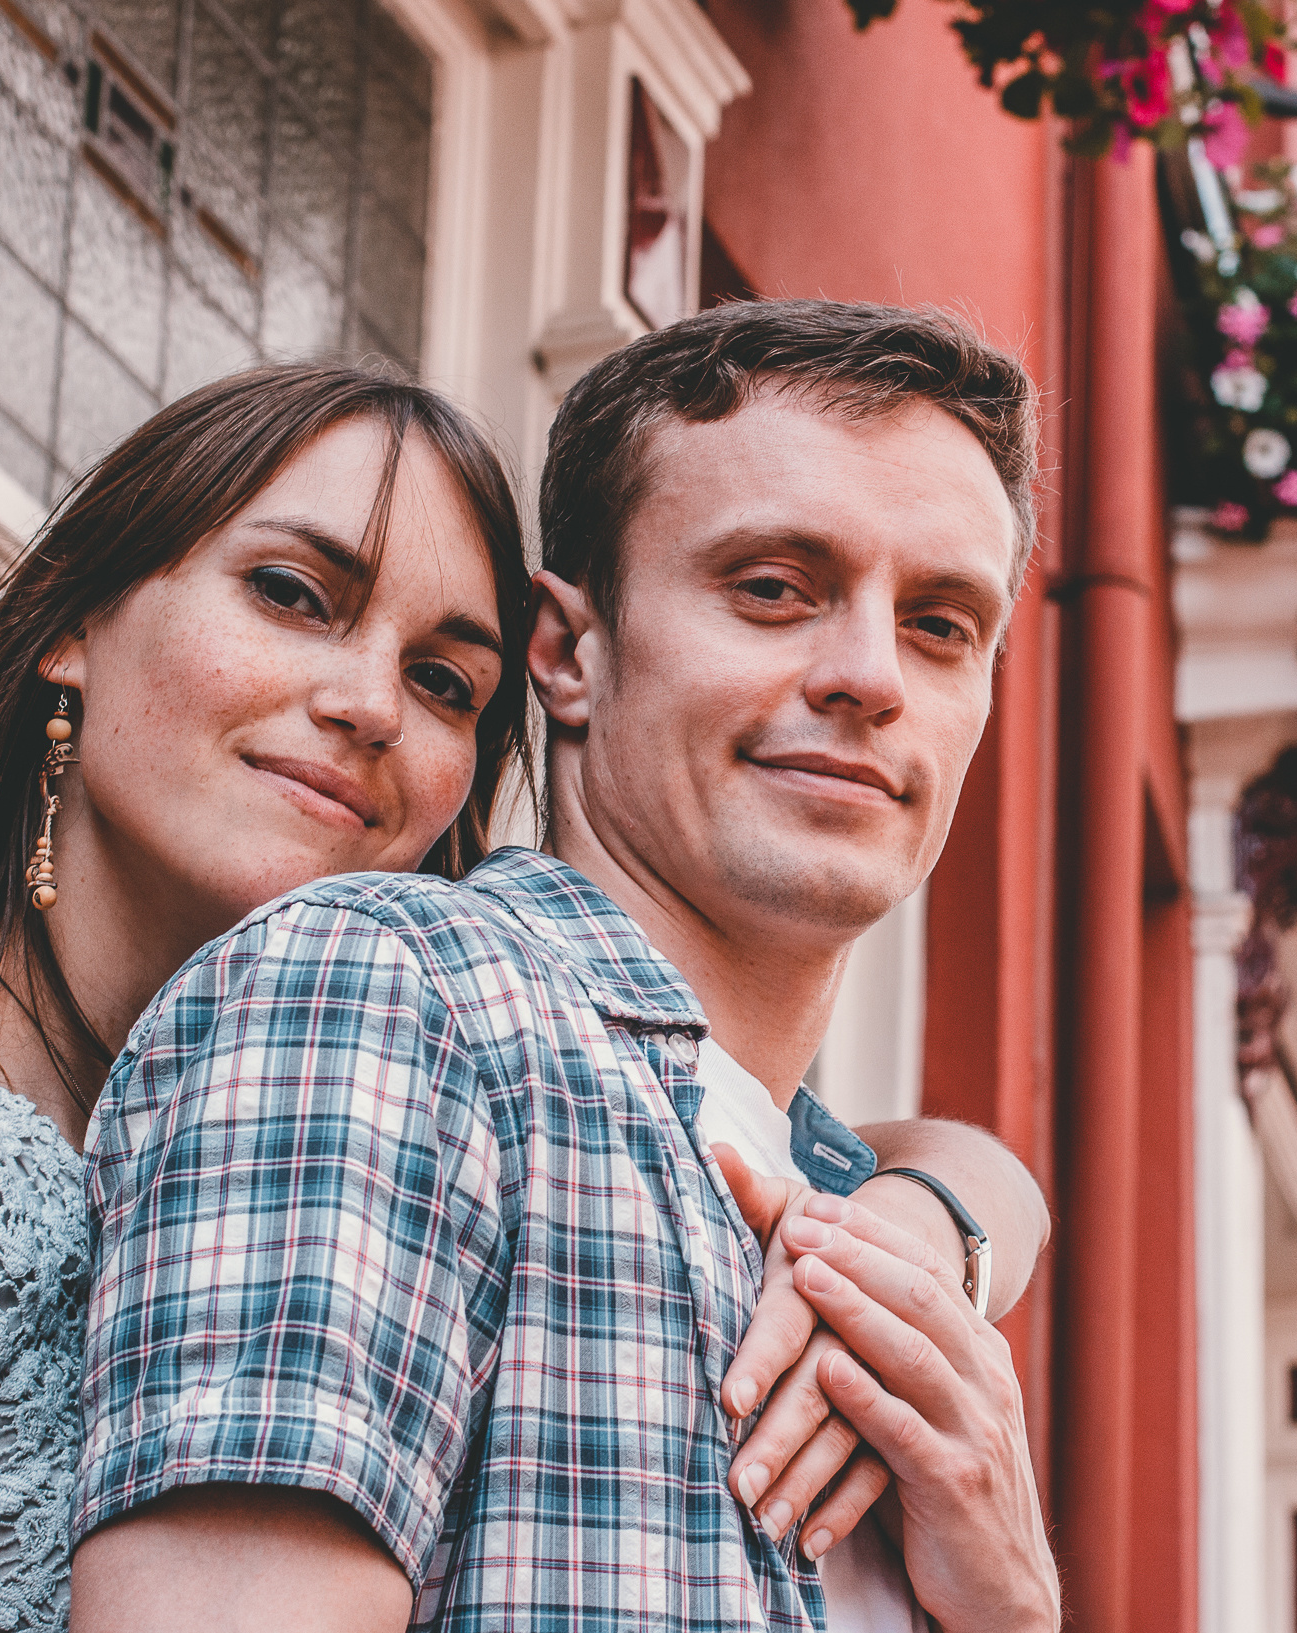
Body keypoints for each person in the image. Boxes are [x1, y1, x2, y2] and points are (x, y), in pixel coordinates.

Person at [0, 358, 1025, 1632]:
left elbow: (890, 1146)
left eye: (442, 680)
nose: (370, 702)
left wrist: (933, 1222)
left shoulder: (389, 1113)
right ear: (74, 618)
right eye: (293, 595)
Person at [67, 300, 1065, 1633]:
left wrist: (1012, 1611)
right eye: (772, 587)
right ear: (565, 653)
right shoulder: (388, 995)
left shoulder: (858, 1204)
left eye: (942, 625)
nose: (869, 675)